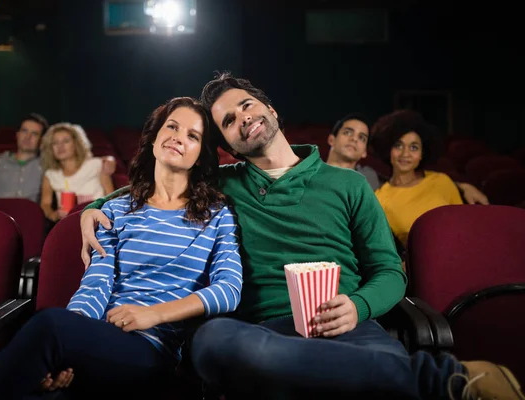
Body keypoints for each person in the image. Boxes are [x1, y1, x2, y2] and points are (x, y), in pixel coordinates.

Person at [80, 75, 523, 399]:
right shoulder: (224, 186)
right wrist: (92, 211)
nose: (243, 118)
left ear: (270, 110)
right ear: (229, 145)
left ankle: (403, 378)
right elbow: (151, 186)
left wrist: (358, 306)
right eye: (229, 121)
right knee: (211, 342)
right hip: (256, 336)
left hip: (346, 327)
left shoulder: (347, 185)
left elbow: (389, 272)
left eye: (248, 105)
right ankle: (436, 382)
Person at [0, 96, 243, 400]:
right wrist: (68, 347)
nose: (178, 137)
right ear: (156, 137)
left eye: (192, 135)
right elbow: (97, 283)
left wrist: (154, 314)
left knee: (50, 325)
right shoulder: (116, 210)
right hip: (98, 340)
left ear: (199, 155)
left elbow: (229, 288)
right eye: (171, 126)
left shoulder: (216, 215)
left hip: (152, 351)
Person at [326, 112, 489, 204]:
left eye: (362, 137)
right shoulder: (306, 171)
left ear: (364, 152)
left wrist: (462, 186)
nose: (354, 139)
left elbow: (409, 184)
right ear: (331, 139)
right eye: (348, 132)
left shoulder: (370, 178)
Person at [371, 110, 464, 247]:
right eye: (398, 145)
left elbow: (463, 226)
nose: (405, 154)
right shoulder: (378, 199)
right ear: (388, 150)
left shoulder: (441, 181)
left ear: (422, 154)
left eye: (414, 147)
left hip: (455, 254)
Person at [40, 123, 115, 222]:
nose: (60, 146)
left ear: (76, 143)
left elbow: (112, 199)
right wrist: (54, 215)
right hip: (69, 224)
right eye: (55, 143)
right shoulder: (50, 175)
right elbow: (45, 205)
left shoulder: (97, 165)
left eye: (66, 141)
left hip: (99, 223)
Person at [0, 113, 48, 202]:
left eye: (35, 134)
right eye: (24, 131)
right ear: (17, 135)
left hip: (30, 215)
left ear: (42, 140)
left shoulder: (46, 165)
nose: (28, 137)